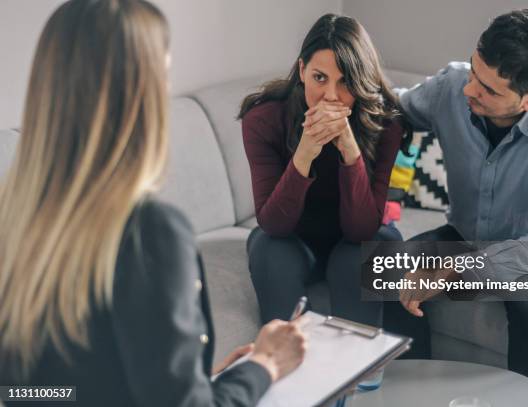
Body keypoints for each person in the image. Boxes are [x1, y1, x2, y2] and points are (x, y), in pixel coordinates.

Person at [0, 1, 306, 406]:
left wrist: (203, 385)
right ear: (141, 98)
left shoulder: (14, 221)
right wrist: (265, 364)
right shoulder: (148, 232)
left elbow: (30, 393)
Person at [388, 6, 528, 405]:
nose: (470, 90)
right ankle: (411, 397)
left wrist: (452, 269)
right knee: (387, 270)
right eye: (473, 72)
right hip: (468, 235)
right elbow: (392, 108)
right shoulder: (452, 85)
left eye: (488, 89)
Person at [239, 13, 407, 328]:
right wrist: (304, 154)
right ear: (302, 70)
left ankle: (360, 369)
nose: (331, 95)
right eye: (319, 77)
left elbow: (362, 229)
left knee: (366, 254)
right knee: (267, 248)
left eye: (345, 82)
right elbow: (274, 223)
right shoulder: (263, 119)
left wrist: (349, 149)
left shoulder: (386, 122)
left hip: (359, 235)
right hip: (291, 236)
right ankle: (292, 369)